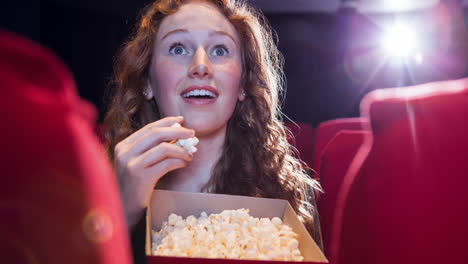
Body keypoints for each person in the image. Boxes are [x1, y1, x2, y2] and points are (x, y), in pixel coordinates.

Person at [103, 0, 323, 260]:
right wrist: (120, 214)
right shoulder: (103, 181)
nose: (200, 65)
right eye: (177, 48)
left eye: (219, 50)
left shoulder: (289, 192)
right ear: (147, 82)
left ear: (242, 83)